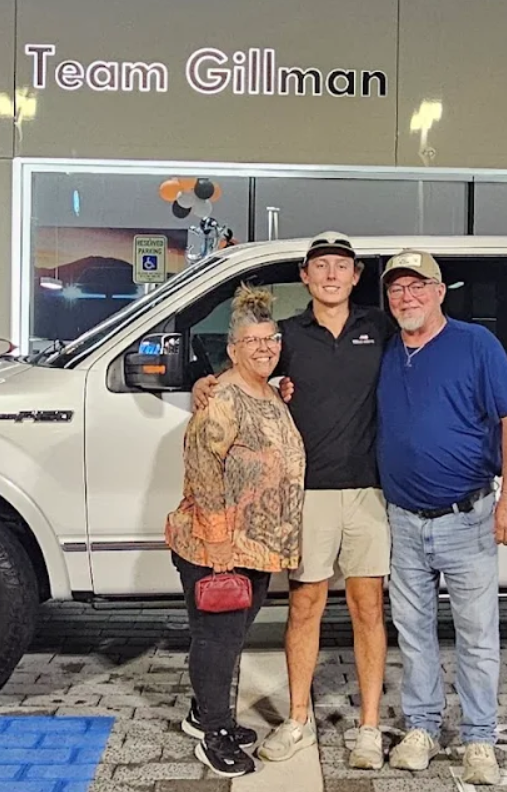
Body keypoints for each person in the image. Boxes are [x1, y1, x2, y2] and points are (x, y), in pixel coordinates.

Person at [192, 231, 398, 770]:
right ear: (304, 277)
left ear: (356, 277)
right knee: (305, 605)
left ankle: (370, 728)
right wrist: (204, 383)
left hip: (369, 490)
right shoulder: (285, 336)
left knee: (368, 609)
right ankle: (299, 719)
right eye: (320, 266)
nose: (331, 274)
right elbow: (244, 370)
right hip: (305, 497)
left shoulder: (379, 327)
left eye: (342, 266)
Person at [374, 249, 507, 786]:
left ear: (440, 292)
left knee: (477, 636)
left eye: (418, 286)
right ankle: (421, 727)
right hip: (404, 521)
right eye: (397, 289)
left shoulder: (475, 344)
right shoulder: (390, 350)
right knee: (413, 634)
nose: (407, 296)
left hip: (468, 517)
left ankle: (480, 738)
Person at [166, 284, 306, 778]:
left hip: (257, 545)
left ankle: (204, 713)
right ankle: (215, 734)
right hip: (218, 543)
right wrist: (220, 541)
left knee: (230, 634)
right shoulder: (223, 398)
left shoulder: (270, 392)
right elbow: (203, 470)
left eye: (271, 339)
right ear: (232, 350)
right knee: (218, 640)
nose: (264, 348)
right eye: (253, 342)